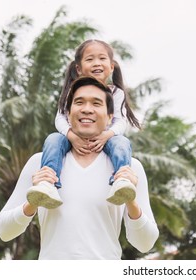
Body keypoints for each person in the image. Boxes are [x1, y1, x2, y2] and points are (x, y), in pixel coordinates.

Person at [0, 76, 159, 259]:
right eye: (79, 102)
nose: (87, 109)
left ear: (109, 117)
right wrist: (33, 202)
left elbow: (145, 243)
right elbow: (4, 231)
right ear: (67, 114)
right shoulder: (40, 163)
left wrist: (131, 200)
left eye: (96, 103)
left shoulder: (130, 167)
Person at [27, 39, 140, 209]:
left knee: (121, 143)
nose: (96, 63)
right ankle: (47, 182)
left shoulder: (116, 93)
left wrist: (106, 135)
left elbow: (120, 121)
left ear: (111, 66)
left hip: (106, 139)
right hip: (73, 137)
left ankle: (122, 180)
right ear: (78, 69)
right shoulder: (71, 91)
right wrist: (71, 136)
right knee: (53, 140)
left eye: (102, 58)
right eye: (90, 59)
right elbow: (60, 119)